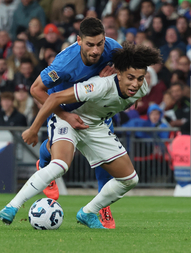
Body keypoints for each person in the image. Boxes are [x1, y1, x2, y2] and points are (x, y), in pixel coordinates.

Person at [0, 42, 163, 229]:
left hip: (95, 127)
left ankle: (88, 212)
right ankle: (11, 206)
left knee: (130, 179)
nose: (135, 83)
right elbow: (54, 98)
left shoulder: (141, 89)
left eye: (140, 78)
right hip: (69, 120)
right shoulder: (99, 85)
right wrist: (34, 129)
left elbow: (127, 95)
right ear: (119, 74)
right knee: (60, 165)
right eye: (131, 78)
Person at [29, 17, 122, 229]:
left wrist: (118, 72)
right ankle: (44, 163)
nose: (96, 50)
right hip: (64, 107)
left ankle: (102, 206)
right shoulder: (64, 63)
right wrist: (64, 115)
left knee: (105, 158)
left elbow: (129, 69)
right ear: (79, 40)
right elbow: (35, 89)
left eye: (100, 44)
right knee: (61, 156)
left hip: (95, 108)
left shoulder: (113, 48)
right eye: (90, 44)